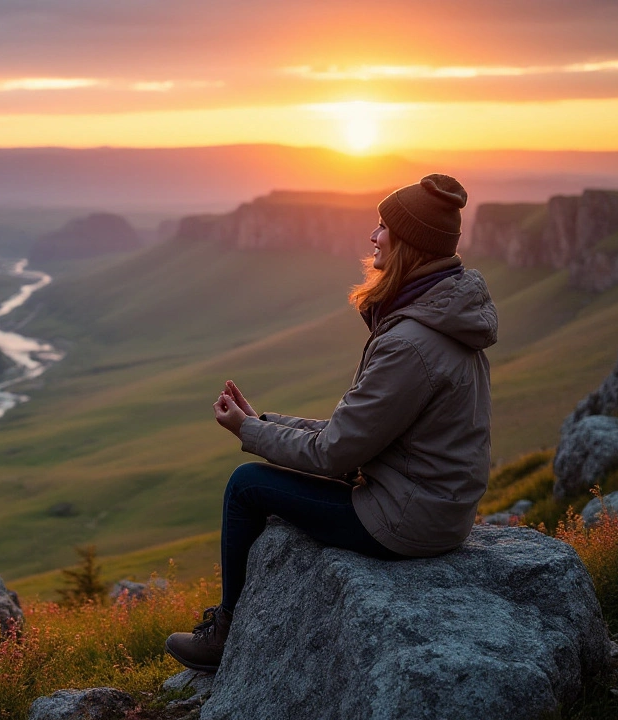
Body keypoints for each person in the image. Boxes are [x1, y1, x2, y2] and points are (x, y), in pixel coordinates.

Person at [164, 173, 498, 672]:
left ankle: (226, 636)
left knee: (247, 486)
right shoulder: (441, 317)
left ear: (410, 243)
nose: (372, 236)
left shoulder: (410, 343)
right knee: (271, 479)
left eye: (383, 227)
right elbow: (360, 429)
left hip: (409, 521)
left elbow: (336, 453)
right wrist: (267, 422)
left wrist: (248, 434)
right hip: (434, 506)